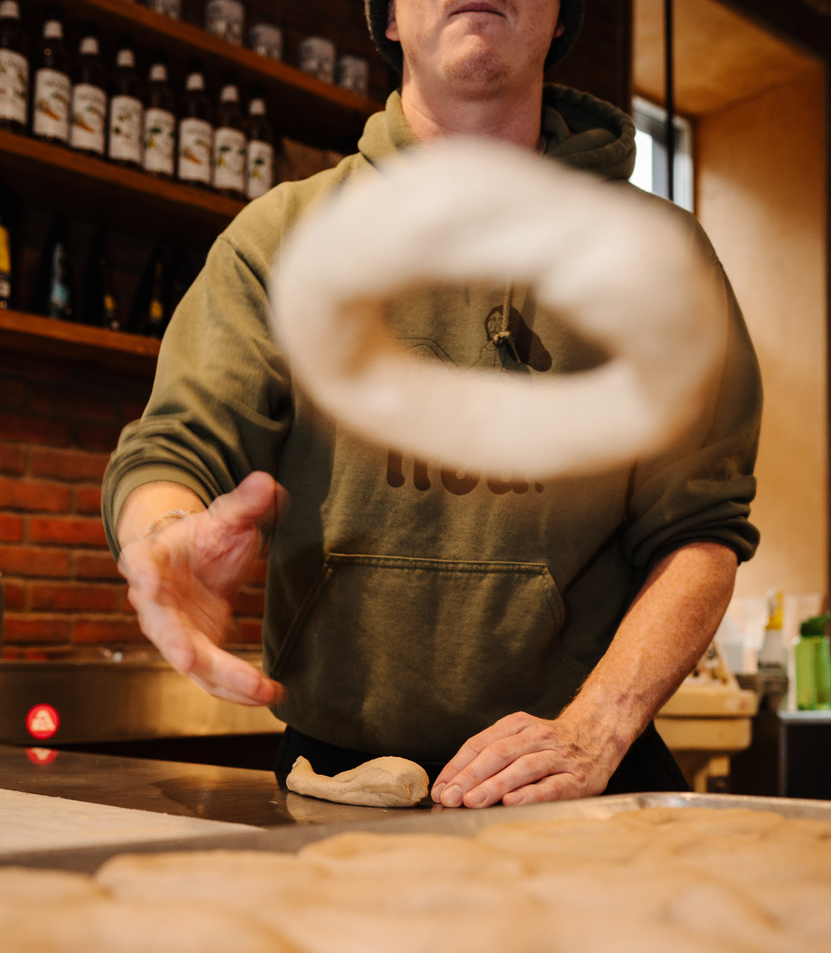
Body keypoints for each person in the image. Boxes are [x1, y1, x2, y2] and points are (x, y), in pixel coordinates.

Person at [101, 0, 761, 808]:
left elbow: (700, 533)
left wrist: (596, 727)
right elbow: (175, 450)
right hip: (333, 780)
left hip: (576, 782)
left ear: (561, 18)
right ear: (385, 17)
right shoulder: (278, 237)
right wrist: (162, 534)